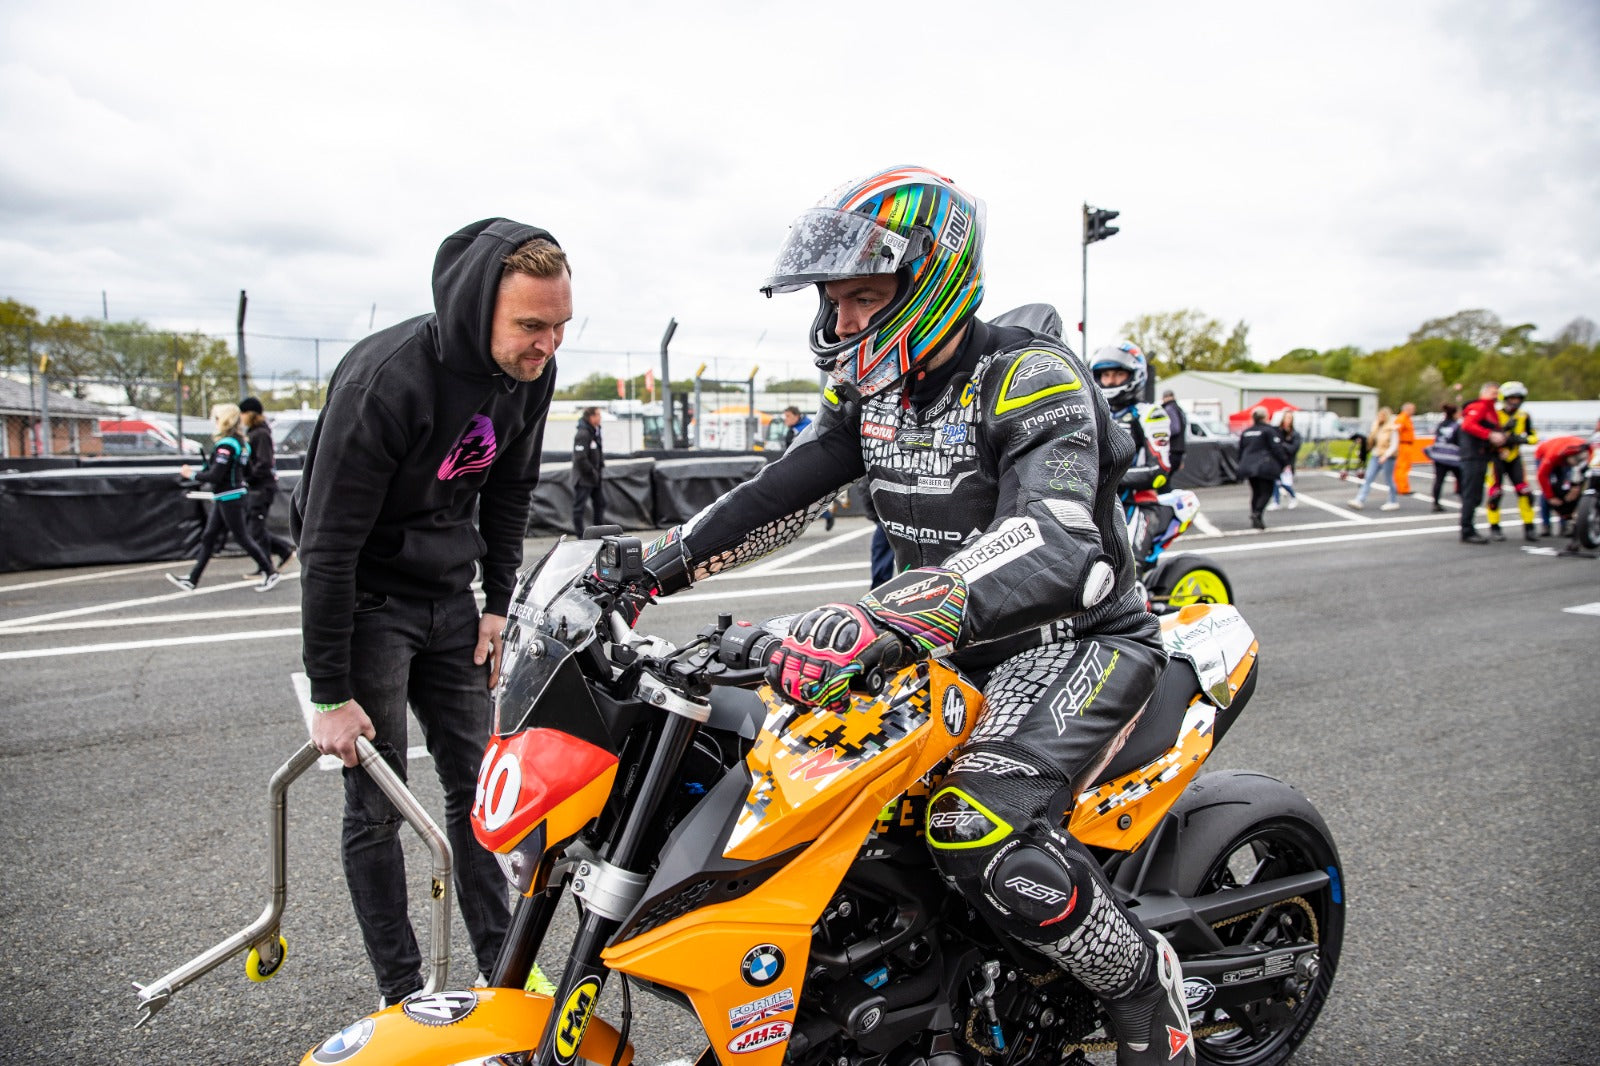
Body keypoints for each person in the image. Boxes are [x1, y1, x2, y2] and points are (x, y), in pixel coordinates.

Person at [638, 166, 1193, 1064]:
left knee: (972, 825)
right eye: (833, 298)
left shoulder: (1029, 374)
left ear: (933, 277)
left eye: (864, 295)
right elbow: (781, 492)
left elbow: (1055, 535)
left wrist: (890, 611)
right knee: (793, 789)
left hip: (1074, 643)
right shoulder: (872, 390)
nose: (844, 319)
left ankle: (1139, 987)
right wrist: (649, 567)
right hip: (941, 648)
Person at [293, 219, 570, 1006]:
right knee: (376, 807)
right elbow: (328, 546)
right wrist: (328, 691)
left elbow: (510, 494)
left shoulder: (531, 373)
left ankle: (504, 971)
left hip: (452, 601)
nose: (545, 344)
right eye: (529, 325)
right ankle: (402, 993)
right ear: (476, 307)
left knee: (481, 793)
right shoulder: (385, 381)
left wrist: (496, 605)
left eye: (558, 326)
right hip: (370, 601)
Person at [166, 403, 280, 592]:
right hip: (227, 495)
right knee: (209, 536)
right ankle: (192, 579)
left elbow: (215, 476)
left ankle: (270, 571)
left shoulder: (227, 444)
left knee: (242, 537)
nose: (214, 423)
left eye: (217, 419)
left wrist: (191, 474)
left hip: (230, 497)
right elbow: (247, 471)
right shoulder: (241, 443)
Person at [1089, 342, 1175, 561]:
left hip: (1138, 504)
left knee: (1129, 568)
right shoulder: (1091, 414)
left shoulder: (1150, 414)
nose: (1110, 381)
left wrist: (1105, 475)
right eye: (1105, 375)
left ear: (1135, 375)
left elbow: (1159, 471)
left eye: (1118, 374)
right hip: (1096, 504)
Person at [238, 396, 296, 574]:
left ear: (250, 414)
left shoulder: (261, 433)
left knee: (256, 528)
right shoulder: (254, 433)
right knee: (253, 528)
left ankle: (267, 566)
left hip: (262, 487)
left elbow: (264, 462)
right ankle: (282, 550)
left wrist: (250, 477)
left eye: (243, 413)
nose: (241, 417)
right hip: (256, 486)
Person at [1484, 381, 1539, 542]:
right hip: (1496, 458)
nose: (1515, 401)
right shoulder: (1494, 414)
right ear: (1504, 398)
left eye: (1518, 398)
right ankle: (1495, 527)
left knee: (1524, 491)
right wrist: (1502, 436)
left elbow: (1534, 436)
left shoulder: (1524, 416)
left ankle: (1529, 527)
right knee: (1495, 493)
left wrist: (1521, 439)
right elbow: (1487, 435)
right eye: (1511, 398)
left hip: (1515, 457)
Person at [1456, 382, 1507, 543]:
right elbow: (1468, 425)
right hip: (1473, 456)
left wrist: (1498, 447)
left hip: (1481, 456)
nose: (1496, 396)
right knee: (1471, 495)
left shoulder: (1492, 411)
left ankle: (1469, 527)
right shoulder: (1480, 407)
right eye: (1493, 392)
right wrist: (1489, 435)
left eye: (1497, 393)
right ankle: (1467, 530)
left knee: (1476, 495)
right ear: (1484, 393)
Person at [783, 406, 835, 529]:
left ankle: (825, 515)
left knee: (803, 497)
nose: (786, 419)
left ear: (796, 416)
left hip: (805, 468)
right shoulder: (796, 428)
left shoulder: (804, 429)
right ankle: (826, 515)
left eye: (788, 416)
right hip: (798, 468)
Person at [1237, 407, 1290, 530]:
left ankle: (1256, 515)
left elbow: (1240, 450)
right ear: (1266, 418)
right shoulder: (1268, 431)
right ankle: (1257, 513)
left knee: (1256, 492)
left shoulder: (1246, 432)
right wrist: (1285, 462)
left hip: (1248, 466)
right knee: (1266, 492)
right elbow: (1277, 448)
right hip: (1264, 466)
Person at [1534, 435, 1588, 539]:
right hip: (1543, 454)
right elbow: (1542, 476)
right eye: (1572, 463)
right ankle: (1546, 525)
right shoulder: (1552, 455)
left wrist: (1576, 488)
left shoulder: (1585, 448)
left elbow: (1584, 472)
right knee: (1547, 490)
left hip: (1566, 452)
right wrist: (1550, 496)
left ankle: (1564, 524)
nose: (1573, 466)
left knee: (1565, 490)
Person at [1348, 407, 1400, 510]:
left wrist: (1386, 456)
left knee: (1389, 479)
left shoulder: (1393, 428)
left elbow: (1394, 445)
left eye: (1382, 416)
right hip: (1375, 455)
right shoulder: (1376, 426)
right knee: (1368, 477)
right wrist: (1363, 446)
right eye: (1379, 415)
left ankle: (1393, 501)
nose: (1380, 417)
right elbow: (1372, 441)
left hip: (1388, 457)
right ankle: (1359, 499)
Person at [571, 406, 606, 537]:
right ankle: (580, 535)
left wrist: (600, 469)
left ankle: (600, 534)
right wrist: (592, 472)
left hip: (595, 478)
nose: (600, 418)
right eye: (598, 415)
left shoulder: (596, 431)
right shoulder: (583, 433)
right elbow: (580, 458)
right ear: (591, 417)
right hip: (584, 478)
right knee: (579, 508)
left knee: (600, 504)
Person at [1424, 402, 1462, 512]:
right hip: (1453, 457)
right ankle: (1465, 501)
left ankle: (1435, 503)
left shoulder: (1441, 425)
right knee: (1461, 480)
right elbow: (1459, 441)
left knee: (1438, 481)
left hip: (1439, 456)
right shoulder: (1457, 426)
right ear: (1454, 414)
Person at [1268, 409, 1301, 510]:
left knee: (1284, 483)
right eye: (1286, 417)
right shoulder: (1278, 431)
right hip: (1277, 460)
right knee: (1276, 481)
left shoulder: (1294, 434)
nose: (1288, 420)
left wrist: (1282, 445)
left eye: (1290, 418)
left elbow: (1294, 448)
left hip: (1287, 462)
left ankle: (1293, 497)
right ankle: (1276, 501)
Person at [1159, 388, 1187, 476]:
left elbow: (1175, 428)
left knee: (1164, 479)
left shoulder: (1169, 408)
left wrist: (1161, 436)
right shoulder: (1179, 408)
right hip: (1179, 448)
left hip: (1172, 449)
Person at [1392, 401, 1417, 496]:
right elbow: (1396, 430)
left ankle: (1404, 487)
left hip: (1407, 445)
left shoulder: (1407, 418)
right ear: (1407, 409)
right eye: (1412, 409)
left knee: (1405, 467)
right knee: (1402, 467)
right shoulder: (1402, 418)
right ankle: (1401, 488)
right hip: (1403, 445)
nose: (1414, 411)